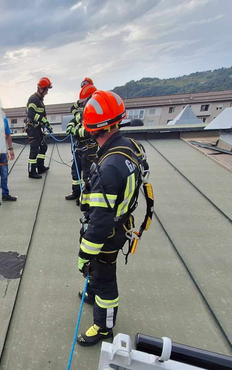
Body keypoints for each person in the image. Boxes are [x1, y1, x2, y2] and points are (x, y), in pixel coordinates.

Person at [76, 90, 153, 346]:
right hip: (120, 222)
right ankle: (92, 292)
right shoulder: (129, 145)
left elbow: (99, 223)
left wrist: (84, 254)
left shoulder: (110, 166)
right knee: (98, 275)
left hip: (108, 233)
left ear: (91, 128)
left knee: (104, 278)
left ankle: (103, 327)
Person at [65, 83, 97, 202]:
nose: (82, 103)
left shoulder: (95, 111)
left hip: (89, 149)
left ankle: (86, 199)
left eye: (84, 101)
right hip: (80, 148)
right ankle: (76, 192)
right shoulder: (85, 110)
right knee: (75, 171)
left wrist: (74, 131)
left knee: (87, 174)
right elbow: (75, 117)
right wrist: (70, 125)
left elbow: (88, 131)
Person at [25, 77, 53, 179]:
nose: (47, 92)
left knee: (43, 147)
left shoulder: (40, 101)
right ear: (41, 89)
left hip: (38, 129)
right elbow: (31, 113)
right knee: (34, 149)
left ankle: (40, 167)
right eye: (46, 90)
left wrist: (47, 124)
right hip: (33, 129)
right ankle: (32, 171)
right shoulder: (33, 99)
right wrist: (42, 120)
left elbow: (43, 116)